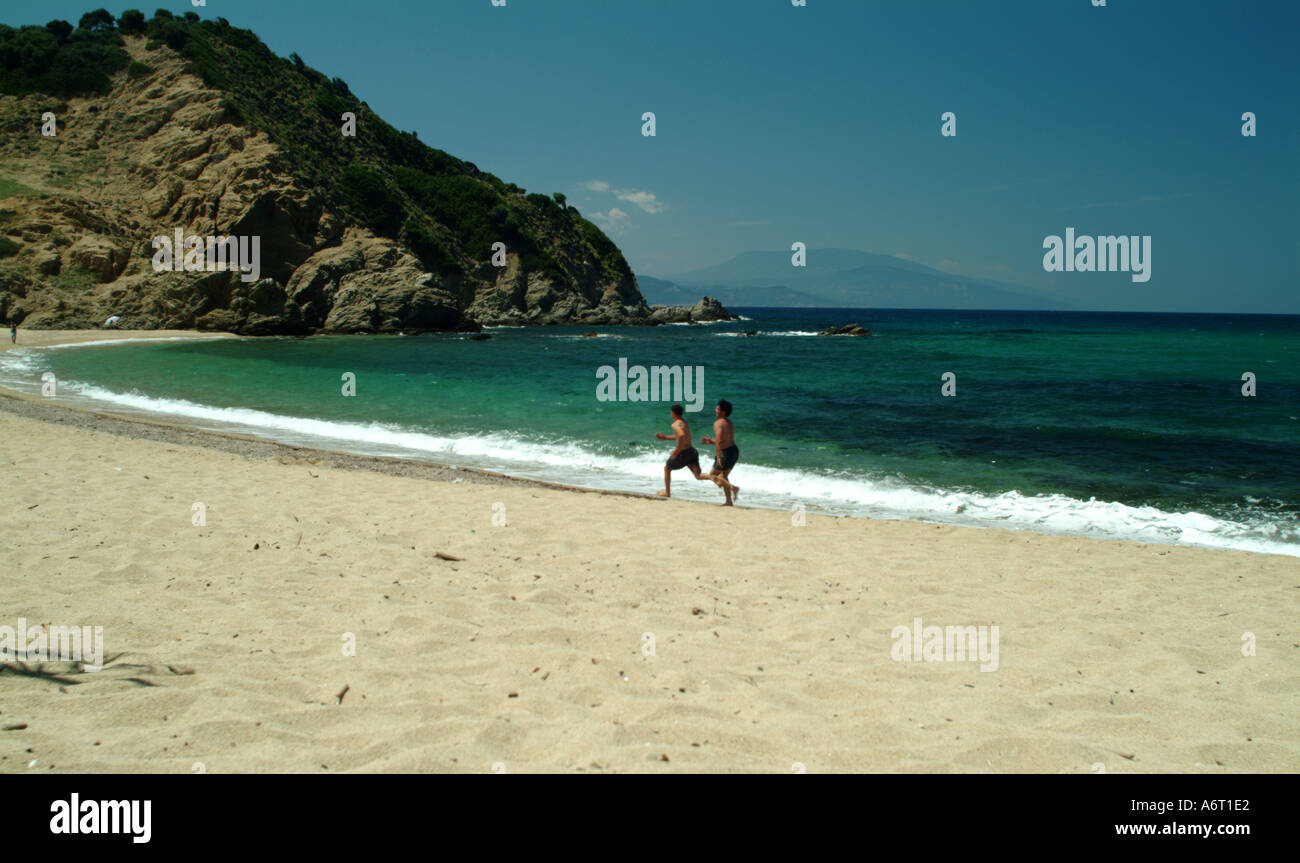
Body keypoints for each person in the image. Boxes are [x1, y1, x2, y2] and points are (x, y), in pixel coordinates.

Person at [655, 404, 703, 497]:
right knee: (698, 476)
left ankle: (667, 493)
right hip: (691, 451)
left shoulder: (675, 424)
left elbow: (681, 435)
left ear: (673, 413)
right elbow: (679, 435)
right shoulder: (684, 422)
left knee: (667, 468)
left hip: (683, 453)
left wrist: (677, 450)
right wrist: (665, 437)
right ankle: (714, 478)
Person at [700, 399, 740, 505]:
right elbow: (724, 441)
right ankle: (729, 501)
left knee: (712, 475)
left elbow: (719, 441)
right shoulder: (729, 423)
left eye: (717, 409)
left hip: (725, 452)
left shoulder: (718, 423)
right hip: (734, 450)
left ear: (723, 411)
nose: (715, 410)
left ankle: (733, 488)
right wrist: (710, 441)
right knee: (723, 476)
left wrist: (718, 456)